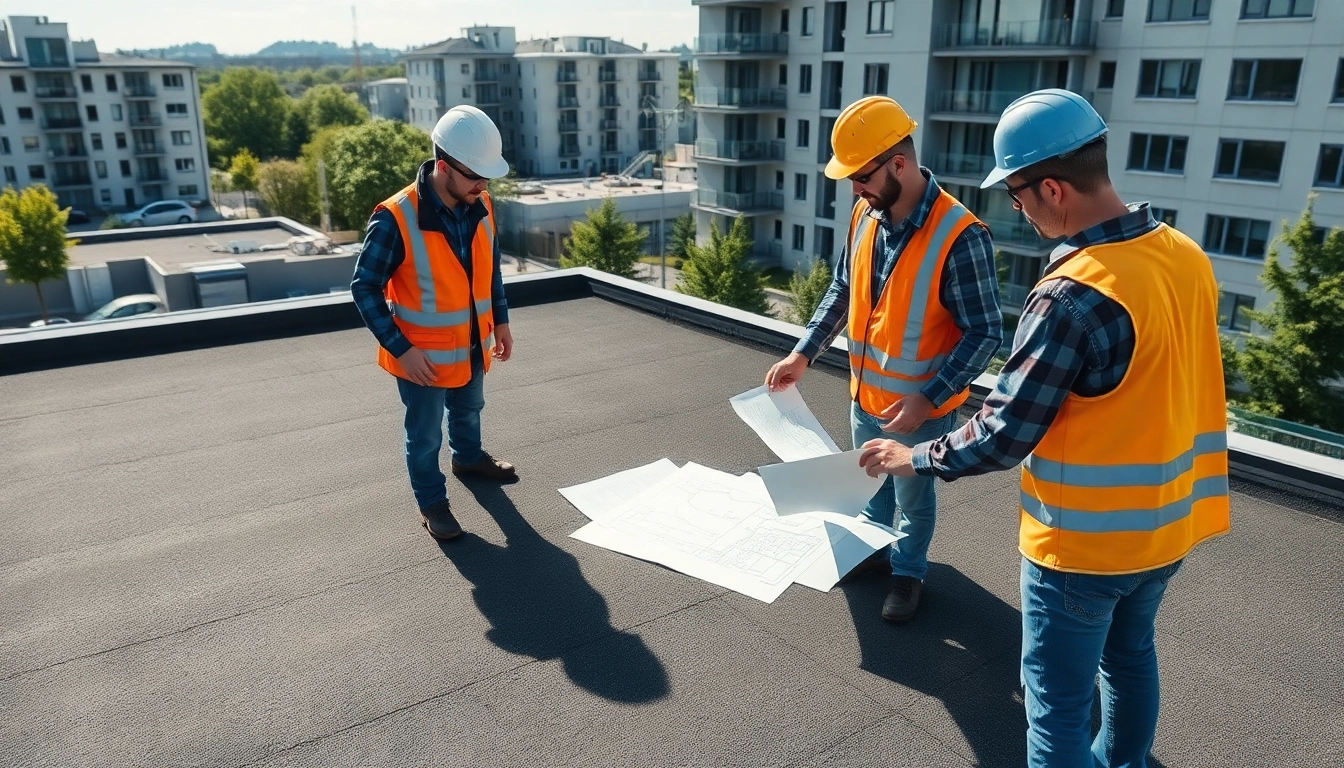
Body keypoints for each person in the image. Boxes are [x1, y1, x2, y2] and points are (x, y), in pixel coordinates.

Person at [856, 89, 1230, 767]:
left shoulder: (1073, 294)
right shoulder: (1183, 255)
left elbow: (1004, 433)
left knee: (1054, 708)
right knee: (1129, 661)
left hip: (1082, 547)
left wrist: (912, 458)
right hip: (1170, 529)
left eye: (1020, 197)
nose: (1020, 213)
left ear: (1052, 188)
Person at [764, 96, 1002, 622]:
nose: (855, 188)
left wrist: (929, 399)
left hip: (920, 409)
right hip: (865, 396)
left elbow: (986, 332)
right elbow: (843, 289)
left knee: (914, 504)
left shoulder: (961, 236)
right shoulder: (864, 214)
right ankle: (873, 551)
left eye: (862, 175)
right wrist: (804, 354)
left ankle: (908, 574)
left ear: (899, 163)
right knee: (869, 484)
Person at [351, 104, 518, 542]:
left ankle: (468, 458)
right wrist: (400, 348)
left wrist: (500, 319)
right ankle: (432, 502)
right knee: (424, 437)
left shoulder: (479, 200)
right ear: (444, 167)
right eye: (475, 175)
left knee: (469, 409)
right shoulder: (395, 218)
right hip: (421, 357)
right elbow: (364, 288)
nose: (484, 185)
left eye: (487, 177)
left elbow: (490, 267)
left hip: (473, 343)